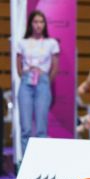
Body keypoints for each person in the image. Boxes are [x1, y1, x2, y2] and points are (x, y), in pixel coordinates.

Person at [16, 10, 59, 156]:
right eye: (35, 22)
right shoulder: (22, 42)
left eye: (41, 22)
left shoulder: (51, 43)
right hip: (26, 82)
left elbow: (55, 66)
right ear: (30, 24)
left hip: (42, 82)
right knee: (26, 127)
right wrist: (26, 75)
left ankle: (39, 164)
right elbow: (18, 66)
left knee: (41, 128)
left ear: (45, 24)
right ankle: (24, 164)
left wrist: (45, 80)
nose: (38, 25)